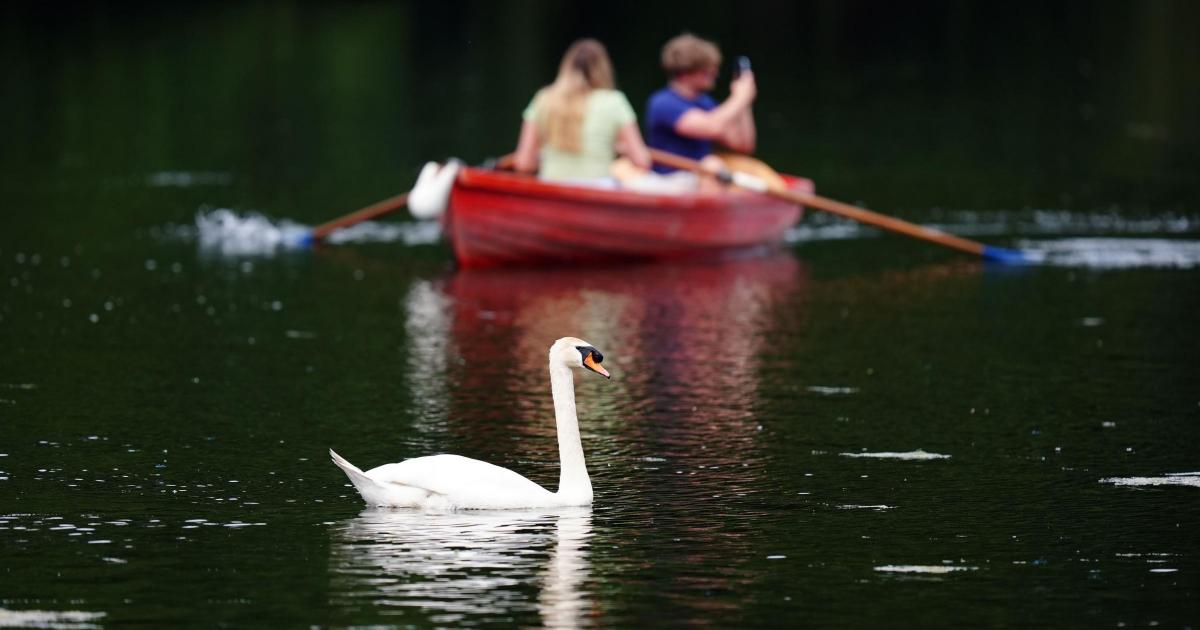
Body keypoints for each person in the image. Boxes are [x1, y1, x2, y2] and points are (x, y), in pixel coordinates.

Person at [513, 39, 651, 187]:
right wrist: (622, 149)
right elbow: (642, 161)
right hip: (597, 189)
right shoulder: (614, 101)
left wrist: (541, 156)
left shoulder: (544, 99)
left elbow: (524, 164)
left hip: (551, 188)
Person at [640, 33, 758, 191]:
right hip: (669, 181)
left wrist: (745, 103)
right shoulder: (663, 102)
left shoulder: (705, 103)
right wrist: (739, 98)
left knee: (713, 166)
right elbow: (712, 127)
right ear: (687, 71)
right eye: (707, 69)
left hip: (698, 180)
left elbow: (743, 144)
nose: (715, 73)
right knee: (712, 165)